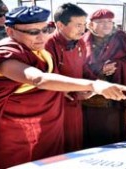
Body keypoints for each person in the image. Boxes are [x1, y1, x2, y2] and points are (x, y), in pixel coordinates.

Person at [0, 6, 126, 169]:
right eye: (33, 32)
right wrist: (93, 85)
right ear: (10, 31)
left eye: (45, 29)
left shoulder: (41, 52)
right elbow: (38, 78)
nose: (42, 37)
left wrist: (74, 90)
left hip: (46, 127)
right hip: (14, 132)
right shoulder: (3, 57)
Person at [82, 9, 126, 148]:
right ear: (90, 24)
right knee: (92, 134)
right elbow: (78, 65)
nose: (106, 25)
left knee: (114, 134)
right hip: (91, 98)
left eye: (109, 21)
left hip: (115, 99)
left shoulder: (121, 38)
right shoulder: (83, 40)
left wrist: (118, 66)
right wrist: (100, 69)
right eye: (100, 22)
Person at [45, 3, 87, 153]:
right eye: (78, 25)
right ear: (60, 25)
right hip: (57, 105)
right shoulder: (48, 45)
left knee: (75, 143)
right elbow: (47, 78)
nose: (83, 29)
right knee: (57, 147)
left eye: (84, 24)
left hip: (76, 103)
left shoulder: (80, 42)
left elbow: (84, 68)